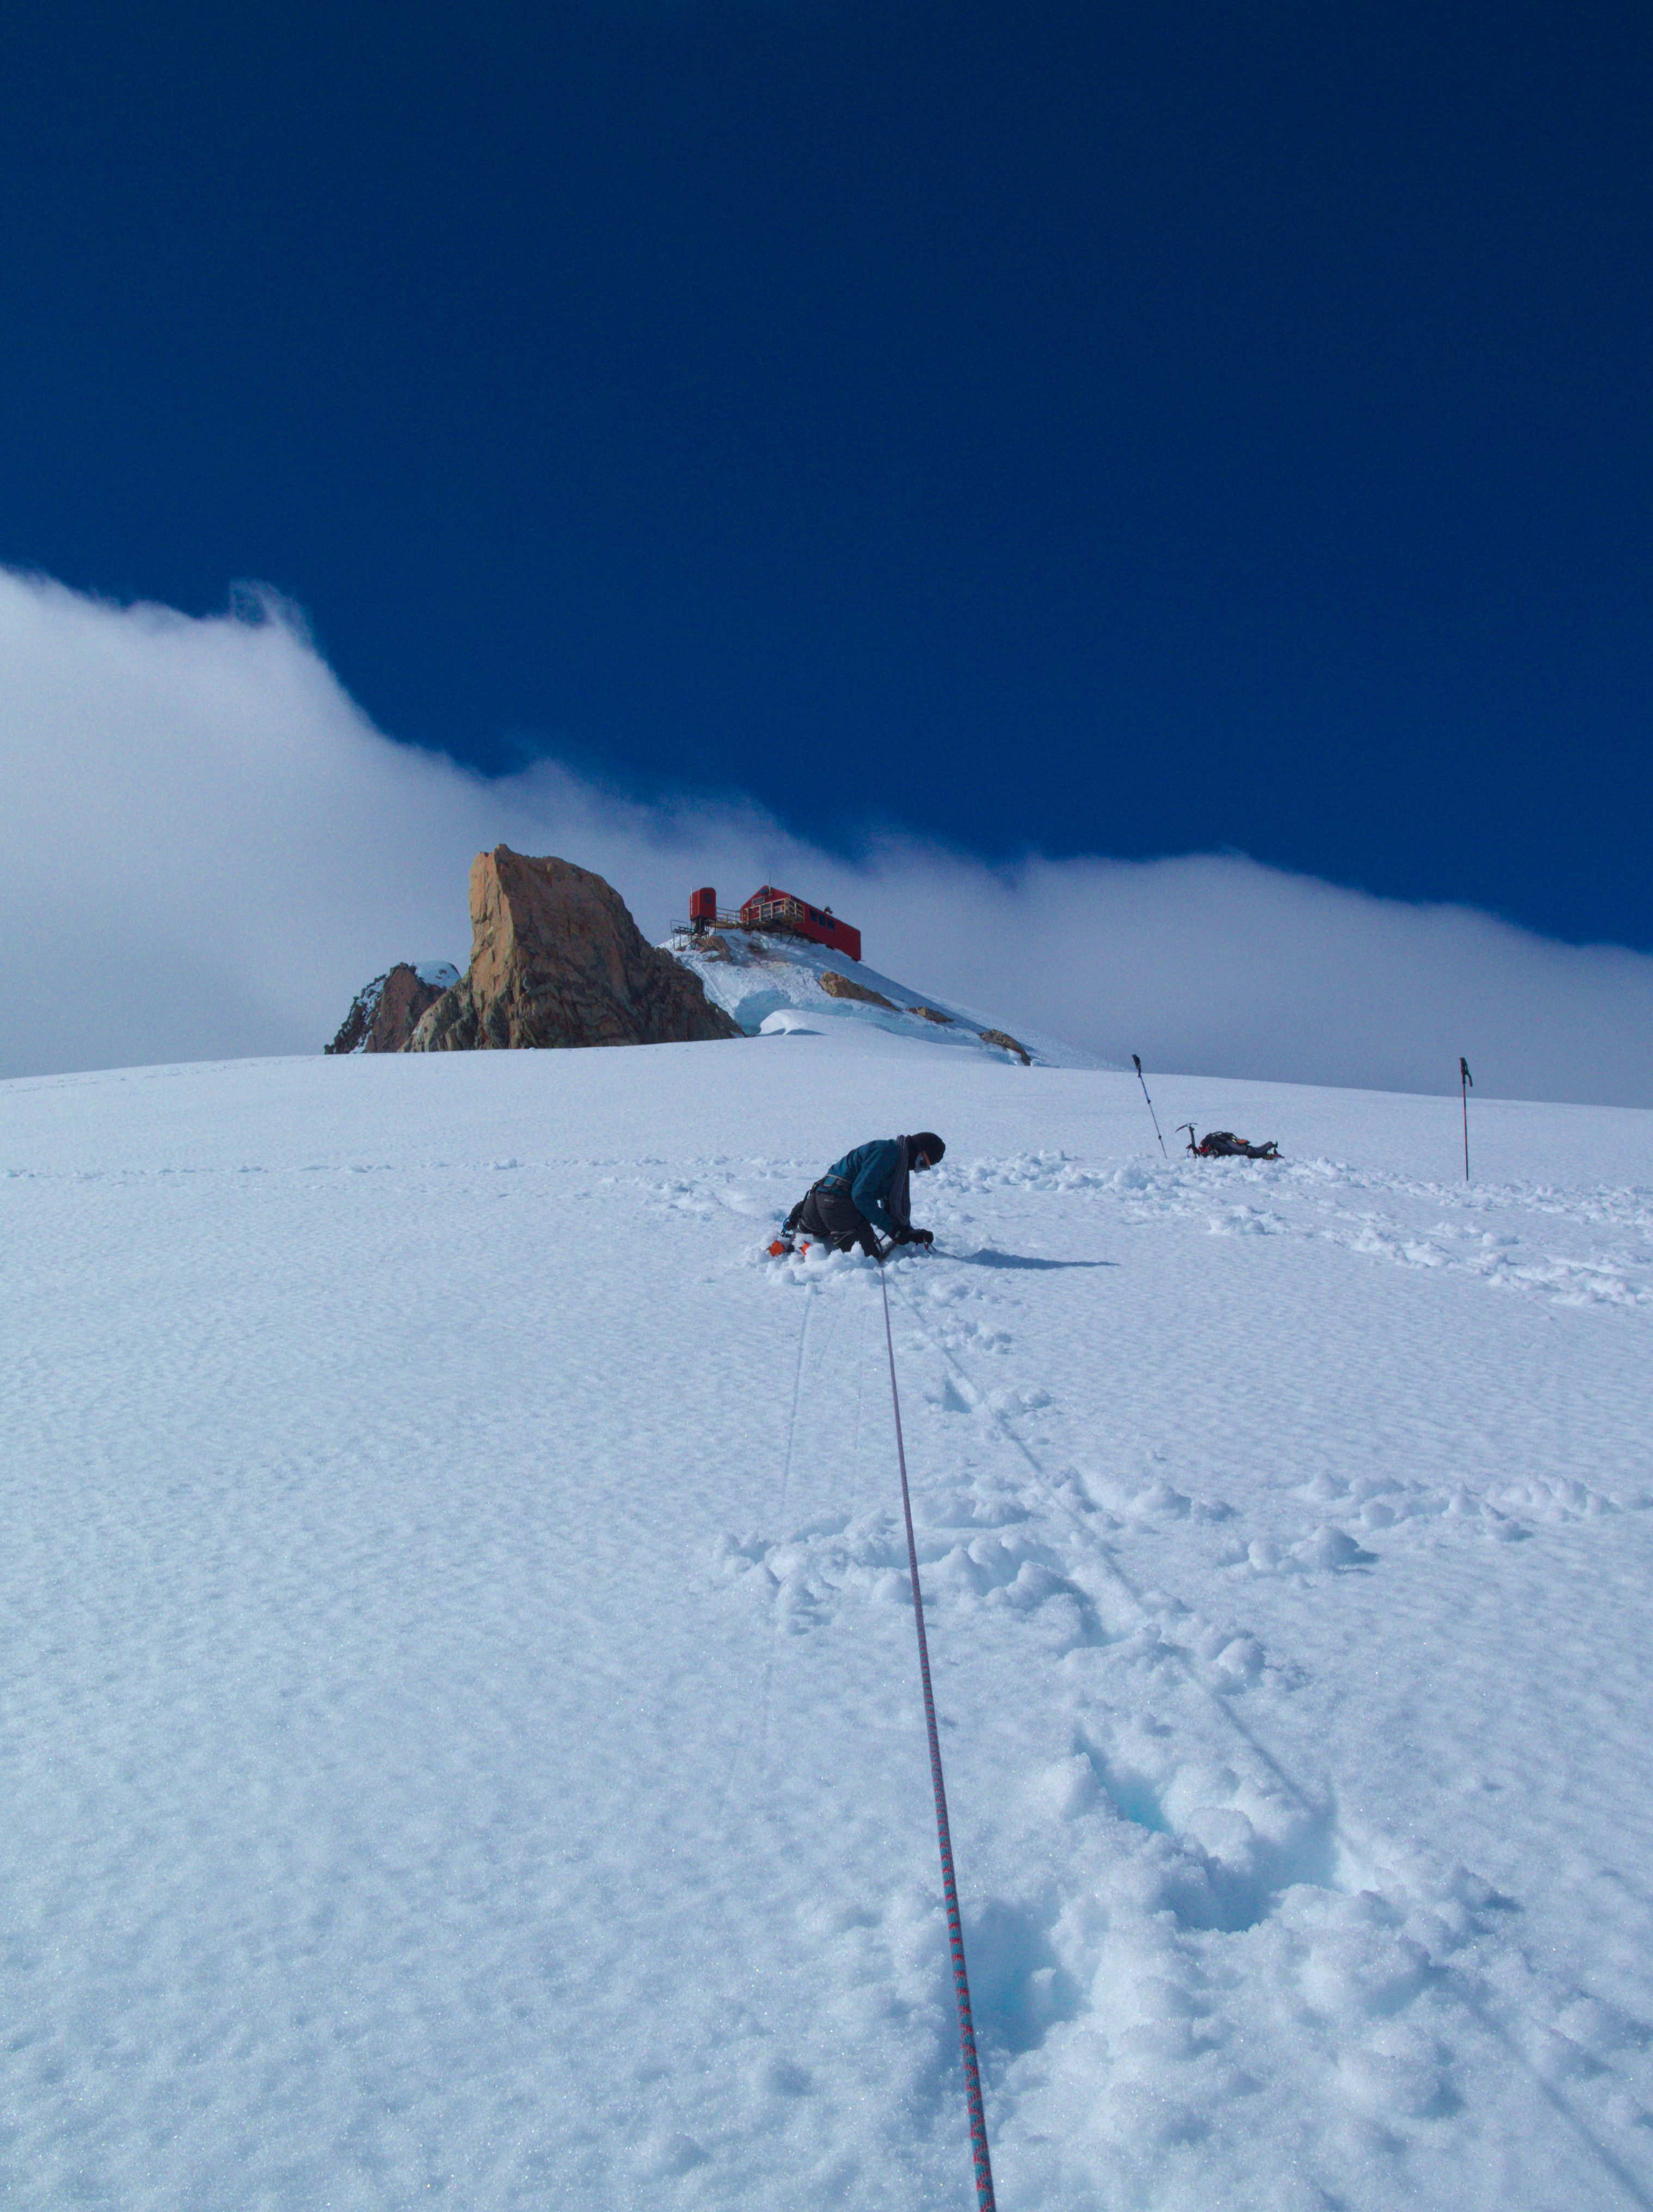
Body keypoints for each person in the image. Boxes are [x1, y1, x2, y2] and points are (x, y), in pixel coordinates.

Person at [779, 1133, 945, 1259]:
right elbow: (861, 1196)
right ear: (917, 1151)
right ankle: (814, 1255)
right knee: (869, 1258)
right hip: (837, 1206)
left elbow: (889, 1208)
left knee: (806, 1238)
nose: (916, 1170)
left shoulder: (895, 1157)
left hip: (818, 1201)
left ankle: (800, 1246)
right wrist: (894, 1231)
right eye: (922, 1164)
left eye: (924, 1168)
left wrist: (910, 1233)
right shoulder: (887, 1153)